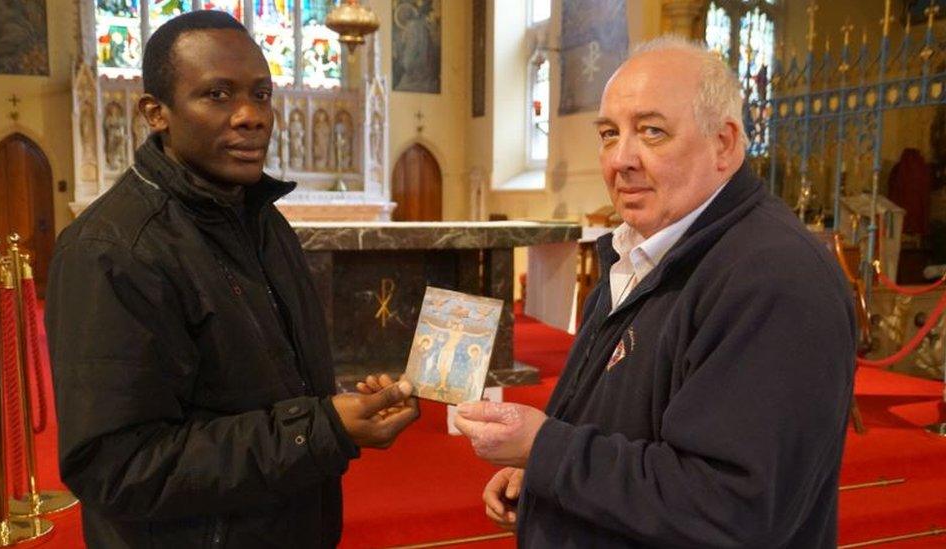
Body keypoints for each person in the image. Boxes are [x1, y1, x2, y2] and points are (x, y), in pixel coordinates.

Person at [455, 36, 856, 548]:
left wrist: (547, 450)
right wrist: (544, 477)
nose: (620, 158)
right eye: (608, 133)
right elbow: (618, 421)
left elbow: (731, 507)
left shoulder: (775, 280)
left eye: (652, 131)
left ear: (724, 143)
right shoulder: (642, 247)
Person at [45, 11, 418, 548]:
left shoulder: (263, 221)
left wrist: (338, 408)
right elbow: (117, 467)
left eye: (261, 94)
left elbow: (258, 382)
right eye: (217, 95)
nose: (251, 116)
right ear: (156, 113)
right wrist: (322, 428)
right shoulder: (111, 251)